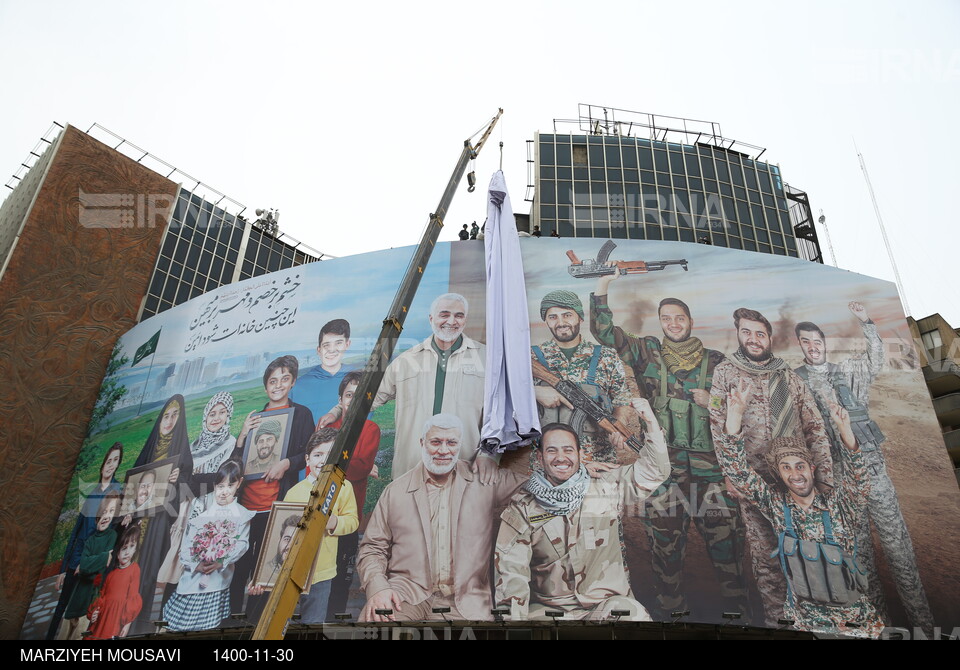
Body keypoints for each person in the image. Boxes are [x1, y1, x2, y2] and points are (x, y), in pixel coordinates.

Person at [590, 280, 747, 619]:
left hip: (712, 476)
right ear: (660, 322)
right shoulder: (646, 351)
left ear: (690, 321)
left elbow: (742, 407)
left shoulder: (718, 361)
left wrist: (714, 401)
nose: (673, 324)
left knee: (727, 549)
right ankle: (672, 615)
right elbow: (605, 334)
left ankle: (738, 617)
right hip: (662, 473)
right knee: (664, 550)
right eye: (666, 318)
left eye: (679, 318)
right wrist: (602, 287)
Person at [793, 303, 933, 632]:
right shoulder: (796, 383)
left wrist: (867, 322)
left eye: (817, 341)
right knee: (861, 563)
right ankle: (880, 630)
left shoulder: (847, 372)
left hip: (873, 477)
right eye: (806, 342)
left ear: (824, 344)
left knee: (899, 551)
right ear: (800, 345)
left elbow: (875, 357)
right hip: (839, 488)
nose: (813, 348)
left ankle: (925, 627)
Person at [716, 379, 882, 637]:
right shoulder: (777, 507)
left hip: (854, 626)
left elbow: (860, 481)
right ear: (780, 475)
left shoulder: (840, 505)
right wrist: (735, 416)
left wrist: (845, 430)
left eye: (800, 465)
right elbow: (737, 472)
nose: (795, 474)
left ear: (812, 469)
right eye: (786, 467)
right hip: (804, 625)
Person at [708, 308, 833, 626]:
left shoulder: (787, 375)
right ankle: (781, 624)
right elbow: (718, 424)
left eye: (759, 333)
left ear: (769, 338)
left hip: (796, 482)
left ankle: (818, 623)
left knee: (810, 557)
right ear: (738, 334)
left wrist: (825, 482)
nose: (753, 338)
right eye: (746, 332)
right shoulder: (725, 373)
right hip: (752, 481)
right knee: (767, 559)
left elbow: (814, 428)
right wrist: (729, 473)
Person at [494, 402, 670, 620]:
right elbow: (512, 574)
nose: (561, 457)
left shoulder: (606, 487)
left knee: (633, 615)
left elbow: (655, 472)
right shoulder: (523, 507)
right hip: (551, 612)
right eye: (551, 450)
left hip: (604, 605)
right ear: (539, 458)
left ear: (580, 454)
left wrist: (651, 424)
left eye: (568, 450)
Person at [357, 414, 525, 622]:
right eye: (435, 442)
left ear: (460, 444)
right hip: (407, 594)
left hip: (466, 600)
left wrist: (490, 458)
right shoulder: (396, 492)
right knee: (374, 621)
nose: (444, 450)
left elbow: (536, 488)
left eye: (451, 442)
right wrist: (377, 588)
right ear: (422, 443)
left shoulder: (484, 480)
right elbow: (372, 548)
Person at [318, 293, 488, 479]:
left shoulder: (486, 358)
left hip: (463, 469)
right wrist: (336, 411)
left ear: (465, 320)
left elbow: (497, 414)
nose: (451, 321)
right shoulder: (406, 361)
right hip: (411, 469)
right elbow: (370, 397)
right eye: (444, 314)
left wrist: (487, 455)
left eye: (459, 315)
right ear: (431, 319)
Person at [230, 356, 315, 614]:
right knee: (240, 564)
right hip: (246, 507)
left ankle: (258, 621)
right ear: (265, 385)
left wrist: (287, 463)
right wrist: (243, 435)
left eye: (284, 379)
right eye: (272, 381)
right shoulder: (255, 418)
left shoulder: (301, 414)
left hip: (275, 506)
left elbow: (308, 453)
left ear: (293, 382)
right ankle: (233, 617)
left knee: (266, 565)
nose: (277, 385)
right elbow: (236, 464)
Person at [532, 290, 632, 464]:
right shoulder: (530, 357)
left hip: (599, 459)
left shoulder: (606, 356)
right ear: (546, 321)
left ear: (580, 317)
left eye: (567, 315)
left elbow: (621, 401)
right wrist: (533, 392)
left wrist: (617, 427)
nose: (561, 322)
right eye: (553, 317)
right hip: (549, 464)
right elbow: (504, 397)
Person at [163, 460, 254, 632]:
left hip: (217, 583)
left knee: (206, 630)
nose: (224, 491)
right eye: (220, 486)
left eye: (230, 485)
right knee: (178, 628)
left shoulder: (241, 514)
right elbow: (187, 542)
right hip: (192, 580)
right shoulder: (203, 509)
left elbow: (242, 544)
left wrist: (221, 561)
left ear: (239, 483)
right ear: (214, 485)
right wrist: (194, 564)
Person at [47, 442, 123, 640]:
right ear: (103, 464)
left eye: (116, 461)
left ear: (118, 465)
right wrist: (64, 568)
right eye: (108, 460)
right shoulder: (91, 492)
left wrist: (127, 517)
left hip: (95, 563)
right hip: (76, 560)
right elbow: (75, 533)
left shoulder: (118, 491)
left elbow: (117, 527)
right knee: (62, 607)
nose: (111, 465)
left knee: (87, 612)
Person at [128, 395, 191, 633]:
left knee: (145, 574)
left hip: (158, 525)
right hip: (136, 522)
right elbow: (132, 484)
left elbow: (188, 486)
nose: (170, 420)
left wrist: (178, 480)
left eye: (175, 415)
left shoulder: (181, 452)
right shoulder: (150, 448)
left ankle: (137, 628)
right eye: (166, 415)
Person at [283, 428, 359, 623]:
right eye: (318, 455)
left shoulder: (344, 487)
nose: (323, 461)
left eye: (330, 455)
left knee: (314, 621)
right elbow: (281, 529)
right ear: (307, 460)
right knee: (285, 619)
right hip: (292, 570)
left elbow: (353, 521)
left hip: (322, 572)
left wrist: (335, 523)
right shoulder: (294, 492)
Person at [324, 370, 380, 618]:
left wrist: (332, 464)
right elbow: (313, 467)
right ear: (340, 400)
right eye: (348, 395)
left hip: (349, 512)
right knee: (319, 571)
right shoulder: (328, 427)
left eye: (358, 396)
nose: (353, 400)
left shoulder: (370, 429)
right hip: (322, 511)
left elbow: (360, 467)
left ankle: (334, 616)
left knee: (341, 572)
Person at [61, 492, 120, 639]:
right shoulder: (90, 540)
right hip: (76, 598)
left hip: (89, 600)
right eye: (104, 511)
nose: (106, 516)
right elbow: (85, 567)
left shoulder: (112, 535)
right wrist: (103, 556)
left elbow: (97, 569)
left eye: (111, 512)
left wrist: (90, 564)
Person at [86, 524, 143, 639]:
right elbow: (101, 596)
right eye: (124, 548)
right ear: (117, 554)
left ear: (136, 548)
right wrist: (95, 612)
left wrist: (127, 624)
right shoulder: (111, 574)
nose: (127, 552)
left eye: (132, 546)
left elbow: (132, 597)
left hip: (115, 618)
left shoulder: (134, 569)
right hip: (102, 616)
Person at [294, 319, 354, 421]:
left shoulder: (359, 378)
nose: (332, 350)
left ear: (347, 345)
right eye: (326, 345)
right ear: (319, 350)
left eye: (338, 343)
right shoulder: (298, 385)